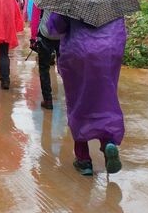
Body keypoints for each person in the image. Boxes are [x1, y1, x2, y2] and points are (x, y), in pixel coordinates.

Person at [45, 13, 126, 175]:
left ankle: (83, 160)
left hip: (78, 52)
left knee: (78, 101)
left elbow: (54, 28)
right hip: (108, 52)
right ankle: (108, 142)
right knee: (105, 99)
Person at [30, 4, 60, 110]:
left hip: (45, 34)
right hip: (63, 35)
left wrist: (33, 37)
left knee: (44, 69)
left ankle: (48, 100)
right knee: (66, 70)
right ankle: (72, 101)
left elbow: (35, 17)